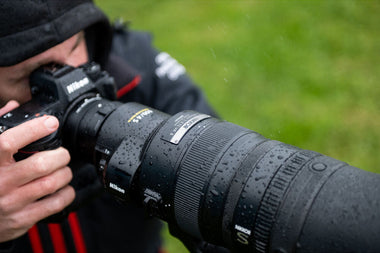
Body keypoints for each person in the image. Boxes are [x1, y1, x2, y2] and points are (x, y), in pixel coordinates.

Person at [0, 1, 217, 252]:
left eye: (75, 46)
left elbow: (217, 168)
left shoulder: (134, 67)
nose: (69, 79)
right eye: (31, 74)